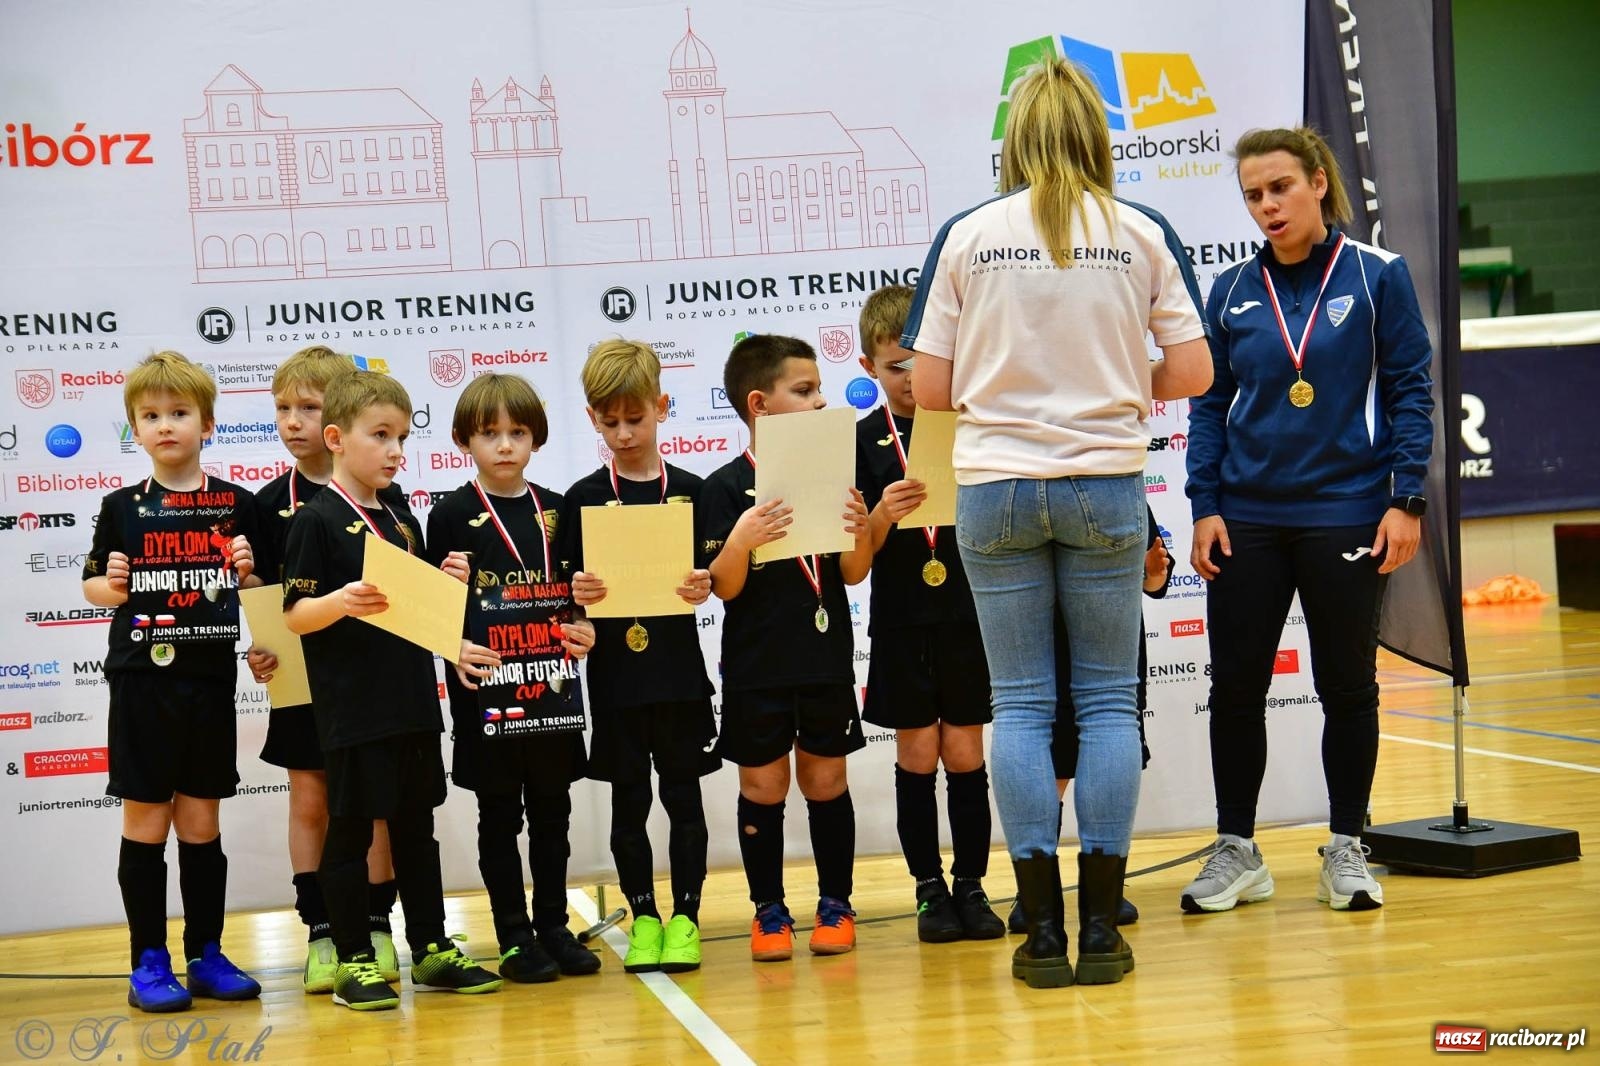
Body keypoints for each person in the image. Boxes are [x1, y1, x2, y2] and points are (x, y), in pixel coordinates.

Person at [904, 57, 1213, 989]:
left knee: (1024, 707)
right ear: (1094, 135)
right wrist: (1119, 385)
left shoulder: (969, 233)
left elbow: (927, 391)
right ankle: (1104, 935)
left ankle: (1039, 937)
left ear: (1015, 142)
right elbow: (1194, 373)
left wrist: (1010, 392)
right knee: (1109, 703)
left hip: (994, 492)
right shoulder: (1140, 230)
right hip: (1106, 487)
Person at [1181, 126, 1434, 915]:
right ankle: (1236, 849)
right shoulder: (1227, 292)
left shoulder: (1379, 275)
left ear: (1319, 181)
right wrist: (1205, 506)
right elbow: (1211, 408)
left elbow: (1411, 390)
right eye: (1253, 195)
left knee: (1349, 687)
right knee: (1236, 691)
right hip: (1248, 518)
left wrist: (1407, 498)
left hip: (1348, 510)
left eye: (1281, 187)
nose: (1267, 206)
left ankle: (1349, 844)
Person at [282, 369, 503, 1010]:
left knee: (415, 830)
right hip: (353, 711)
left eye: (401, 437)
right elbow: (296, 617)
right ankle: (354, 958)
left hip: (412, 703)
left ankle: (430, 947)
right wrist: (337, 602)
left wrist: (448, 586)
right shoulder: (315, 521)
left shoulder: (403, 518)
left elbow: (415, 612)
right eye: (380, 435)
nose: (394, 450)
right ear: (336, 438)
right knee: (350, 831)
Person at [82, 351, 264, 1012]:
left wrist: (247, 570)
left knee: (200, 821)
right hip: (140, 683)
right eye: (150, 416)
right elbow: (93, 583)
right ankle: (146, 962)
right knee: (146, 821)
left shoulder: (237, 506)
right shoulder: (121, 507)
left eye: (179, 413)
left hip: (209, 682)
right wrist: (112, 587)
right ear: (135, 428)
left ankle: (206, 953)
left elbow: (265, 595)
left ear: (207, 423)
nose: (165, 426)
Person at [698, 333, 873, 962]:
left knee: (826, 781)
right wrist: (740, 539)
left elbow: (853, 573)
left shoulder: (830, 475)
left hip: (823, 659)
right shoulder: (720, 489)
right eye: (805, 391)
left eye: (820, 389)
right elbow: (725, 587)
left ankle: (836, 904)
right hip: (756, 668)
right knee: (765, 786)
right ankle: (768, 911)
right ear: (760, 405)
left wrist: (858, 523)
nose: (821, 400)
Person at [424, 373, 601, 983]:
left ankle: (552, 923)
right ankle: (511, 935)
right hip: (487, 693)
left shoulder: (560, 507)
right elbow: (431, 612)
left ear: (536, 438)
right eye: (490, 433)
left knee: (553, 812)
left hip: (551, 687)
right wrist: (451, 634)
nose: (505, 445)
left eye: (517, 432)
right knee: (499, 816)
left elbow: (578, 597)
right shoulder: (447, 515)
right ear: (463, 440)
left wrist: (584, 626)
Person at [852, 285, 1005, 943]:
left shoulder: (970, 427)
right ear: (869, 370)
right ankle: (927, 889)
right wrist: (885, 512)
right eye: (894, 366)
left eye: (920, 359)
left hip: (969, 615)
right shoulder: (859, 444)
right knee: (918, 754)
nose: (910, 377)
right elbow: (853, 561)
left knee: (966, 750)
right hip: (902, 621)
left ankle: (971, 884)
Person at [247, 346, 400, 993]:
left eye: (308, 408)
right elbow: (264, 596)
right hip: (300, 682)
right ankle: (320, 932)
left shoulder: (379, 496)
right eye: (283, 408)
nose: (293, 422)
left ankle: (377, 925)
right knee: (310, 798)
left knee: (377, 806)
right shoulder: (263, 504)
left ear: (337, 418)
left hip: (366, 685)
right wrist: (256, 644)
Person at [564, 340, 719, 974]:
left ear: (662, 406)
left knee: (684, 801)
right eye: (609, 422)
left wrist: (705, 584)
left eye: (636, 418)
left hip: (680, 678)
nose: (624, 434)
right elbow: (566, 603)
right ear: (593, 418)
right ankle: (644, 915)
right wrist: (576, 603)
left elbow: (716, 576)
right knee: (629, 804)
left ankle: (686, 916)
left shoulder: (692, 490)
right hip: (616, 681)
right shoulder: (578, 498)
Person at [1006, 511, 1171, 934]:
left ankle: (1104, 893)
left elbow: (1154, 576)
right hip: (1049, 639)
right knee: (1055, 759)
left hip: (1110, 638)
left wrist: (1152, 574)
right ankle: (1037, 897)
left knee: (1109, 742)